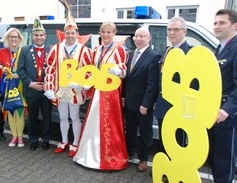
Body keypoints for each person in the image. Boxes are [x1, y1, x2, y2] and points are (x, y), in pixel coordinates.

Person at [73, 22, 128, 170]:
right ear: (100, 33)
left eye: (109, 32)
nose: (106, 35)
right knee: (93, 122)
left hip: (111, 94)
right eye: (103, 32)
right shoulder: (96, 50)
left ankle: (110, 157)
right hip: (98, 91)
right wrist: (85, 83)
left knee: (110, 124)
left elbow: (124, 70)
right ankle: (90, 154)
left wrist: (118, 71)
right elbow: (91, 70)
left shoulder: (119, 50)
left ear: (114, 33)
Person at [44, 14, 92, 157]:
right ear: (63, 34)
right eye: (68, 33)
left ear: (77, 34)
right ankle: (64, 141)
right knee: (63, 116)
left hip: (75, 91)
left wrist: (82, 85)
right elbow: (50, 69)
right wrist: (49, 87)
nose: (70, 35)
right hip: (60, 90)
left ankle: (75, 143)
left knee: (75, 117)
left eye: (73, 33)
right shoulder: (56, 48)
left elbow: (89, 70)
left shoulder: (84, 50)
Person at [124, 28, 161, 172]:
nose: (139, 39)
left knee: (145, 133)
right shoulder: (130, 54)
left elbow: (152, 84)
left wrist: (146, 104)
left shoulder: (153, 56)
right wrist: (123, 98)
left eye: (142, 36)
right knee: (131, 130)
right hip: (130, 101)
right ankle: (129, 154)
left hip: (143, 104)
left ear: (149, 38)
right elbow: (127, 79)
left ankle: (144, 159)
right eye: (137, 36)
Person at [208, 9, 237, 183]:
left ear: (234, 26)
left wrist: (228, 108)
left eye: (222, 23)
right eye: (215, 23)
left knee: (225, 160)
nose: (217, 26)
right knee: (216, 158)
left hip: (227, 115)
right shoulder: (220, 48)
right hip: (214, 112)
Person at [154, 16, 192, 153]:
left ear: (185, 32)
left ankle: (177, 172)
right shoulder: (167, 51)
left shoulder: (190, 53)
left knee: (178, 142)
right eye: (169, 29)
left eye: (176, 29)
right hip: (163, 105)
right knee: (164, 139)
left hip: (179, 107)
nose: (171, 33)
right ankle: (166, 169)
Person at [17, 18, 52, 151]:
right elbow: (20, 70)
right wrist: (30, 84)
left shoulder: (51, 50)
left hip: (46, 90)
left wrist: (47, 84)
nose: (39, 37)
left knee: (47, 116)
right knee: (32, 117)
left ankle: (46, 139)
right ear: (33, 36)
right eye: (36, 35)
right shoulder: (25, 50)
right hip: (31, 89)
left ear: (45, 36)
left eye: (41, 35)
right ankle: (33, 139)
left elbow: (56, 70)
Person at [0, 28, 27, 147]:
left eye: (15, 37)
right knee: (10, 111)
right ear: (7, 38)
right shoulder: (1, 52)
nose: (13, 39)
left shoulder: (24, 51)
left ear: (19, 39)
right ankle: (14, 136)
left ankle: (21, 137)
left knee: (20, 111)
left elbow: (26, 71)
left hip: (20, 86)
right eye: (11, 37)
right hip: (6, 86)